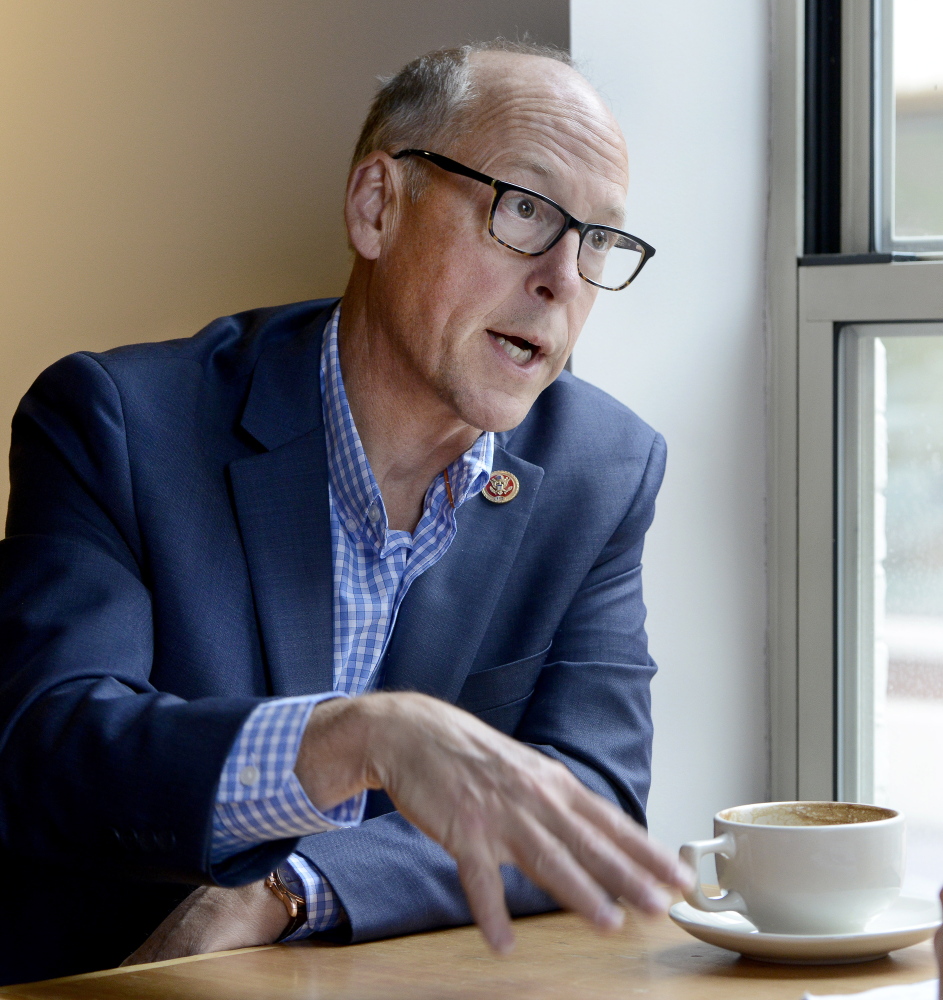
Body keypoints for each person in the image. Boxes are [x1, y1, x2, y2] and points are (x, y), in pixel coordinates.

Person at [0, 40, 682, 985]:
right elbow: (46, 748)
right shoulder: (119, 423)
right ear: (376, 206)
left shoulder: (599, 467)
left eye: (599, 240)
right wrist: (353, 739)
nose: (564, 279)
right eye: (524, 211)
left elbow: (589, 796)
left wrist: (289, 886)